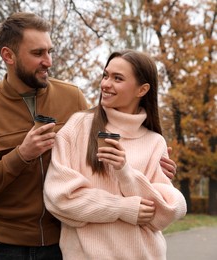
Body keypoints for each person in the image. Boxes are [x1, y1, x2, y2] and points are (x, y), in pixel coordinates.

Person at [0, 12, 178, 260]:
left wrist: (150, 168)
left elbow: (99, 159)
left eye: (49, 51)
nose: (48, 61)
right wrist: (21, 155)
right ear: (8, 56)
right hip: (5, 245)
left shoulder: (72, 98)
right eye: (38, 53)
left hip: (61, 244)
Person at [43, 49, 187, 260]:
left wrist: (125, 172)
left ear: (142, 89)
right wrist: (122, 208)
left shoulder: (155, 142)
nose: (105, 84)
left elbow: (161, 215)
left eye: (117, 78)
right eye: (105, 75)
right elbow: (60, 198)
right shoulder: (78, 127)